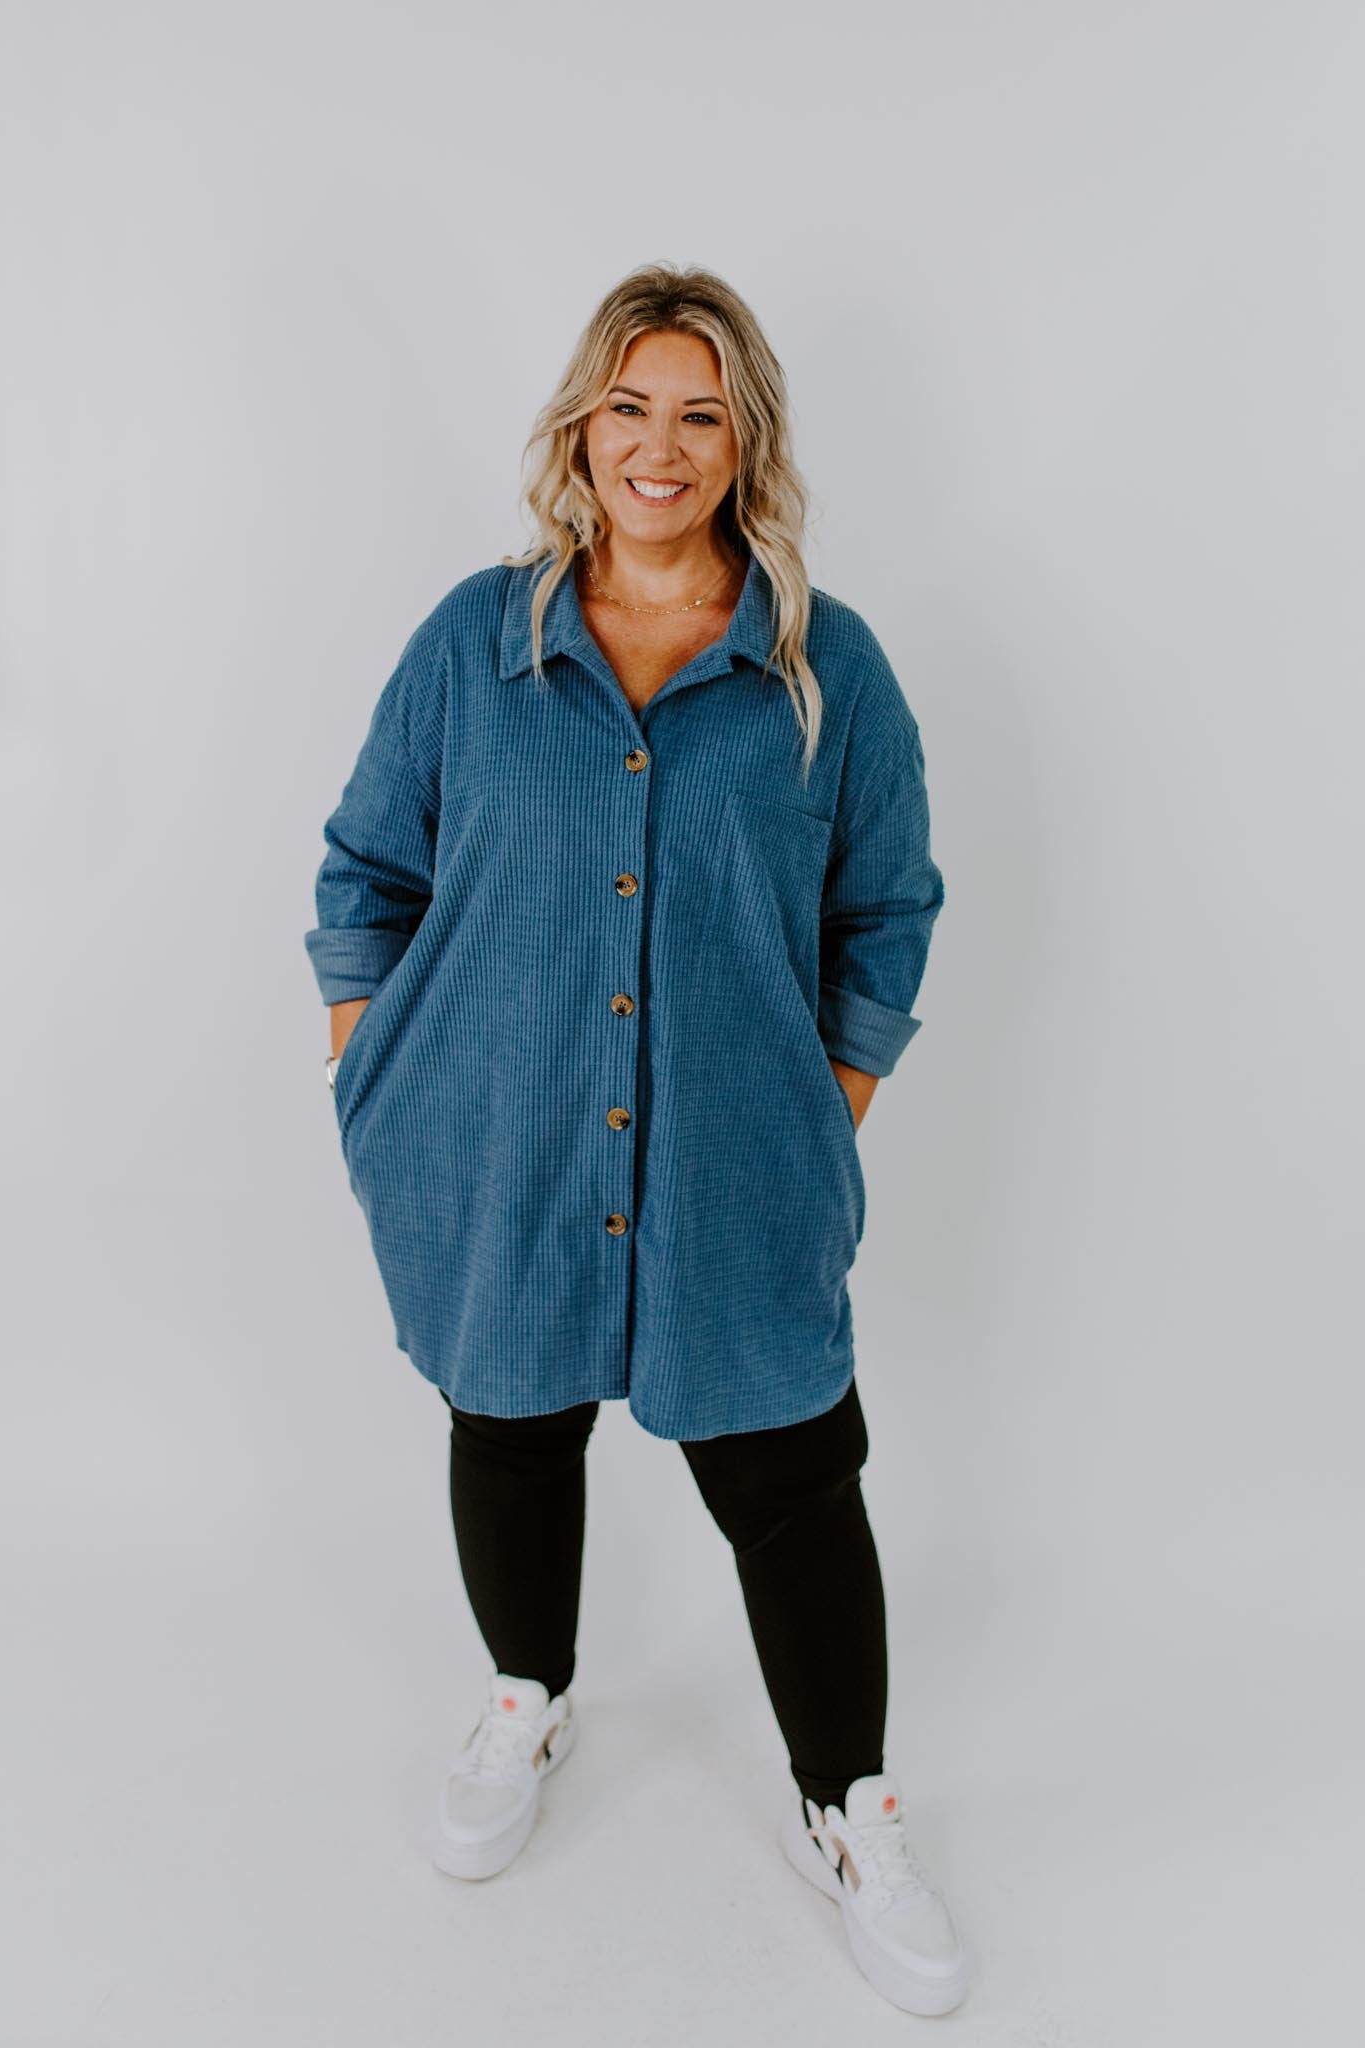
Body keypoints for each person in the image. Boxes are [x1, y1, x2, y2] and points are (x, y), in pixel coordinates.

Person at [303, 262, 965, 2016]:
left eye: (699, 414)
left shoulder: (823, 667)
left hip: (736, 1169)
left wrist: (825, 1108)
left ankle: (849, 1806)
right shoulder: (478, 642)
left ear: (745, 443)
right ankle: (528, 1699)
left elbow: (886, 908)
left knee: (792, 1477)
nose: (658, 447)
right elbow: (367, 871)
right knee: (509, 1426)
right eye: (629, 407)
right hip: (500, 1143)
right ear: (582, 427)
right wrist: (377, 1076)